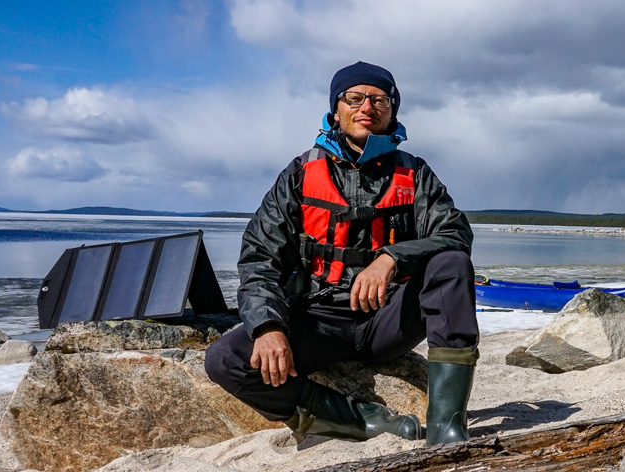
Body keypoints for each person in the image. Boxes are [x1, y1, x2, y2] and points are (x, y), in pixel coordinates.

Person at [205, 61, 479, 446]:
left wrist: (391, 258)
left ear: (392, 110)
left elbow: (454, 232)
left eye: (379, 99)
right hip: (319, 320)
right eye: (355, 98)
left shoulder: (415, 173)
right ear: (337, 109)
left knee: (451, 264)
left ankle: (445, 429)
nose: (367, 107)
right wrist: (268, 327)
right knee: (225, 360)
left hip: (388, 320)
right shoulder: (301, 173)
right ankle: (359, 420)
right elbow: (259, 256)